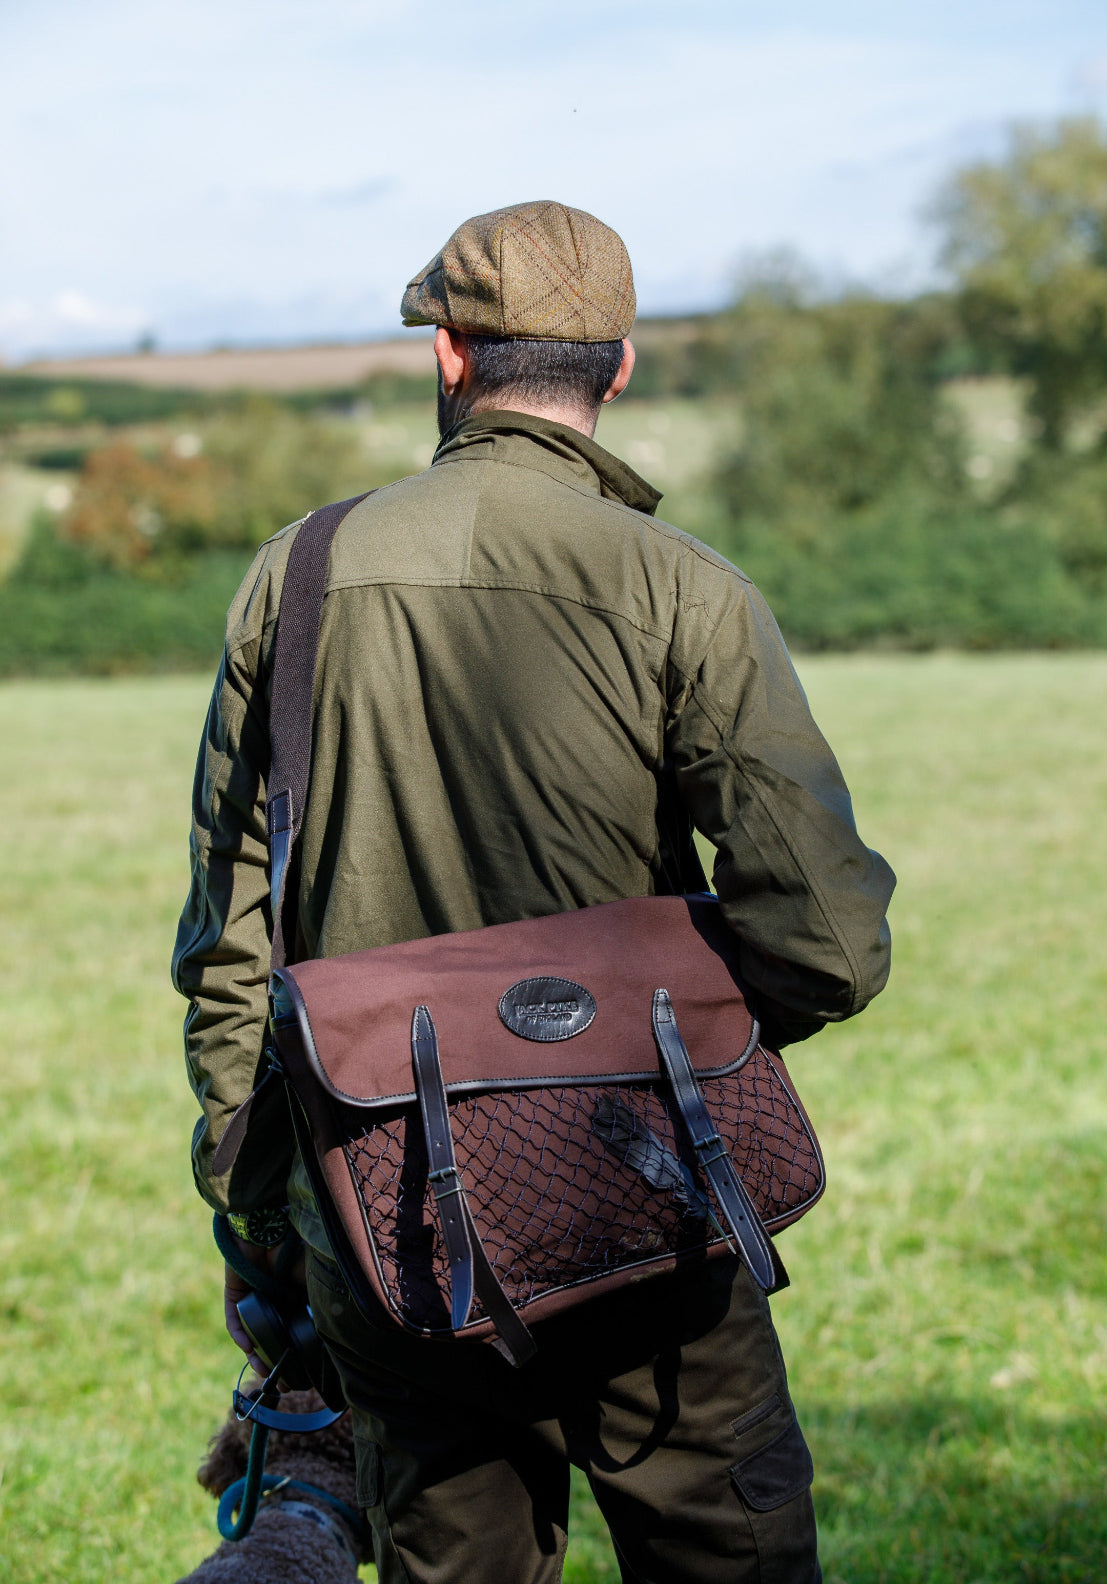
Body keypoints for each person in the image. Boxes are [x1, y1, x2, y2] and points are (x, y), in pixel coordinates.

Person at [173, 200, 895, 1584]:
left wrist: (267, 1199)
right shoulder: (688, 588)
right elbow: (831, 944)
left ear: (448, 357)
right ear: (619, 368)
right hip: (645, 1189)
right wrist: (660, 1042)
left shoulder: (298, 576)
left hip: (381, 1217)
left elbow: (229, 941)